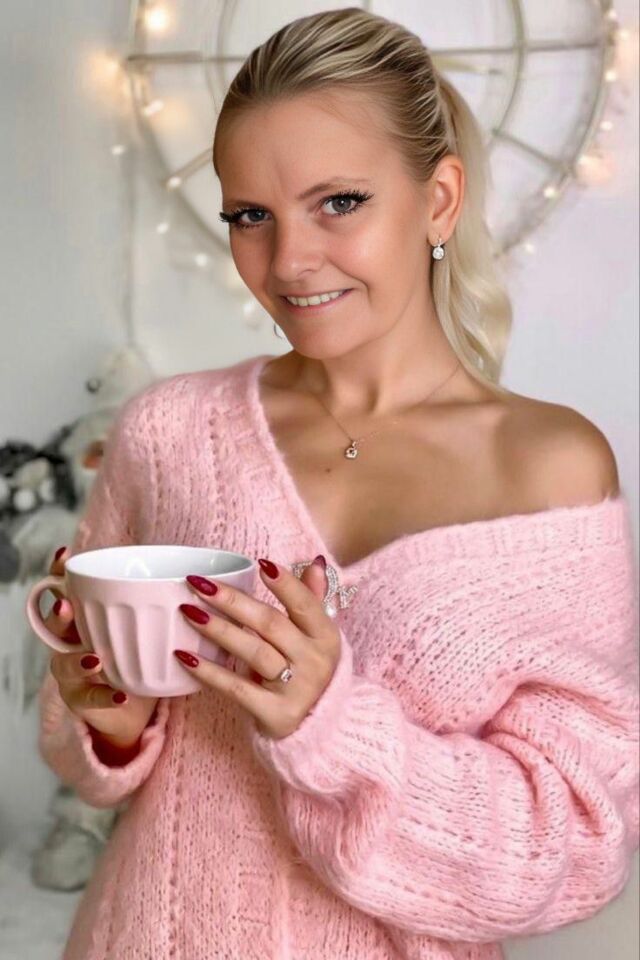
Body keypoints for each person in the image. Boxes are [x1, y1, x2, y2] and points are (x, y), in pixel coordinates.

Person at [36, 8, 639, 959]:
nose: (288, 262)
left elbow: (573, 846)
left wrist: (333, 726)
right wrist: (108, 722)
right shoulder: (169, 432)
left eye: (340, 202)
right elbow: (89, 751)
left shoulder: (549, 470)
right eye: (250, 216)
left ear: (439, 200)